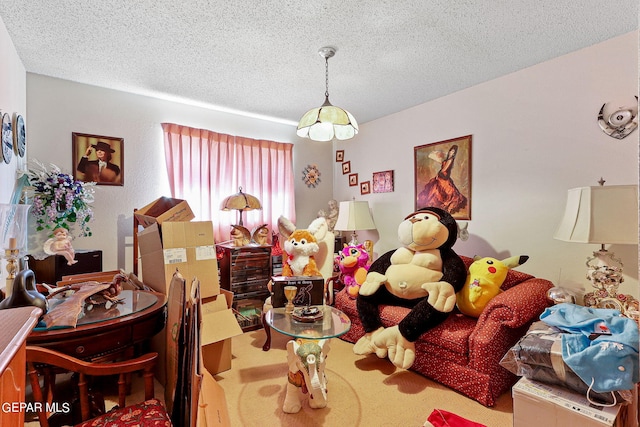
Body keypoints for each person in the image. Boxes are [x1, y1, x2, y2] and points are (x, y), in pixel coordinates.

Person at [416, 144, 467, 214]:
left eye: (453, 152)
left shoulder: (451, 159)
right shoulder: (447, 159)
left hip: (444, 176)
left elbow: (445, 170)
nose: (452, 152)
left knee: (444, 193)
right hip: (441, 176)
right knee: (434, 192)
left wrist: (440, 174)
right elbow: (443, 168)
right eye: (451, 151)